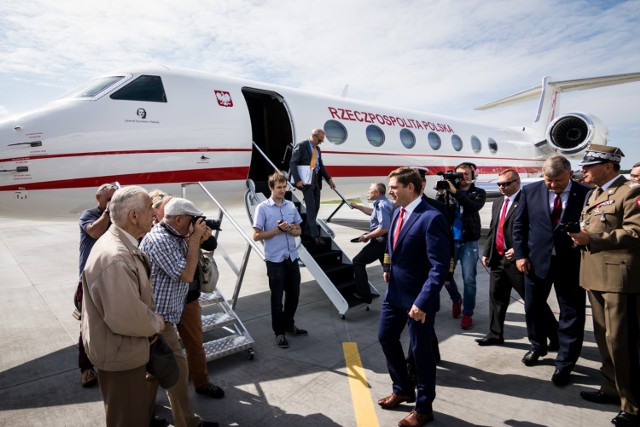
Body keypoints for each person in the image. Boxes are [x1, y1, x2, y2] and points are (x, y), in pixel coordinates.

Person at [81, 185, 165, 427]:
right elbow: (125, 316)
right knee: (127, 419)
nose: (154, 213)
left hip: (122, 348)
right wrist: (156, 323)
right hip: (120, 353)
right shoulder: (116, 257)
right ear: (134, 216)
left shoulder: (121, 241)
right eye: (150, 208)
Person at [569, 145, 640, 426]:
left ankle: (633, 405)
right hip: (595, 276)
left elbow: (635, 232)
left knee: (622, 342)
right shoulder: (593, 194)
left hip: (619, 280)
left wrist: (592, 239)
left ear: (608, 166)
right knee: (603, 339)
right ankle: (611, 389)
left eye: (589, 165)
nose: (584, 170)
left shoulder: (630, 191)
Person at [377, 167, 450, 427]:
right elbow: (391, 246)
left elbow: (439, 267)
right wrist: (388, 268)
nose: (390, 191)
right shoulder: (397, 211)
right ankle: (403, 389)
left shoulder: (432, 217)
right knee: (386, 337)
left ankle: (424, 408)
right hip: (394, 293)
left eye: (395, 186)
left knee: (421, 354)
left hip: (418, 300)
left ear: (411, 187)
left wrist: (422, 302)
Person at [140, 197, 218, 427]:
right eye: (193, 220)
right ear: (180, 219)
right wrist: (194, 239)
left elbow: (196, 255)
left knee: (154, 372)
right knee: (177, 371)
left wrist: (200, 237)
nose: (195, 224)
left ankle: (140, 418)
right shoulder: (160, 239)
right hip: (158, 319)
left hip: (162, 318)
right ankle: (189, 423)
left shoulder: (175, 235)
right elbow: (185, 274)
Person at [512, 155, 590, 387]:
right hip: (536, 262)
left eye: (558, 181)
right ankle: (538, 345)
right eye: (549, 180)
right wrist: (520, 254)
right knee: (533, 307)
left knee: (571, 314)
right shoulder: (531, 191)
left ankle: (565, 363)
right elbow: (519, 226)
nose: (553, 185)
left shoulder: (586, 193)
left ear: (570, 173)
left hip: (572, 263)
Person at [478, 170, 559, 347]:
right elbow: (494, 228)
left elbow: (535, 230)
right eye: (499, 184)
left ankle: (554, 335)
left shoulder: (528, 201)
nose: (501, 187)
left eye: (505, 184)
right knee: (496, 298)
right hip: (498, 259)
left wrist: (519, 250)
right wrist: (487, 252)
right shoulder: (498, 202)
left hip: (519, 261)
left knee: (533, 301)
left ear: (517, 182)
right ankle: (495, 334)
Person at [253, 172, 307, 349]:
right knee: (277, 298)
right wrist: (277, 230)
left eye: (284, 187)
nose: (282, 190)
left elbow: (299, 230)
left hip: (291, 257)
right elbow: (256, 235)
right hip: (275, 260)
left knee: (294, 295)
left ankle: (289, 324)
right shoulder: (262, 208)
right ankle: (279, 332)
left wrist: (292, 229)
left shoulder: (291, 206)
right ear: (271, 188)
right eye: (279, 188)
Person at [75, 182, 118, 387]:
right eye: (108, 198)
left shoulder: (118, 217)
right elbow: (93, 232)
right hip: (89, 279)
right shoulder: (90, 214)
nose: (111, 202)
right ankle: (86, 368)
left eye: (114, 198)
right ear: (98, 198)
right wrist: (109, 213)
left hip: (112, 277)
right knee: (88, 325)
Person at [436, 162, 486, 329]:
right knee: (445, 277)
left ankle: (467, 313)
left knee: (469, 280)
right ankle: (456, 299)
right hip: (450, 241)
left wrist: (455, 192)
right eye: (458, 174)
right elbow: (439, 210)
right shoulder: (449, 192)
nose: (462, 177)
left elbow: (472, 207)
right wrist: (442, 193)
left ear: (472, 175)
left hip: (469, 242)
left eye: (465, 174)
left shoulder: (478, 193)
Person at [289, 128, 335, 245]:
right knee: (311, 207)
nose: (321, 142)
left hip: (316, 180)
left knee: (317, 206)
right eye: (320, 140)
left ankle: (308, 230)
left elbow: (321, 166)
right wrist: (298, 180)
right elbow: (293, 163)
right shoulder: (302, 146)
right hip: (305, 181)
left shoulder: (317, 149)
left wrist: (329, 179)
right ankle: (315, 236)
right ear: (313, 137)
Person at [350, 182, 393, 304]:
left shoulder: (382, 206)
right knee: (389, 271)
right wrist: (358, 207)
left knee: (358, 261)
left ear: (377, 193)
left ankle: (364, 295)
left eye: (370, 190)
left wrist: (367, 236)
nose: (368, 191)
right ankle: (399, 294)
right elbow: (372, 212)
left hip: (380, 242)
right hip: (384, 242)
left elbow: (384, 228)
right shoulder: (383, 203)